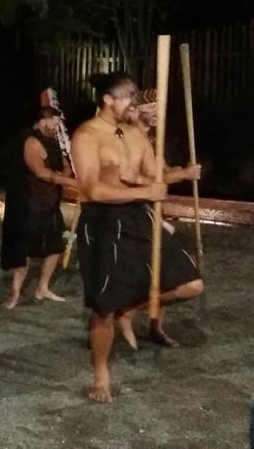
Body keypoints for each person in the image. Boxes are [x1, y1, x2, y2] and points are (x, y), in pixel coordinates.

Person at [70, 73, 203, 403]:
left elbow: (154, 177)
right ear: (108, 100)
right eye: (129, 96)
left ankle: (128, 310)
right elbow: (91, 189)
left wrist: (183, 174)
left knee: (191, 285)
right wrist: (146, 189)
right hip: (102, 221)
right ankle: (101, 376)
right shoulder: (88, 135)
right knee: (103, 308)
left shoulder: (137, 136)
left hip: (139, 216)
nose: (135, 102)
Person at [116, 88, 202, 348]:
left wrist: (184, 170)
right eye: (149, 106)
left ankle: (156, 327)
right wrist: (182, 175)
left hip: (155, 215)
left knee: (163, 278)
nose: (154, 111)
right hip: (135, 216)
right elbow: (144, 179)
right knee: (187, 284)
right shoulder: (126, 139)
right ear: (134, 110)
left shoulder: (154, 139)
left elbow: (162, 170)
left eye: (158, 106)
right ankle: (126, 312)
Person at [0, 106, 78, 308]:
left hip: (49, 204)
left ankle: (42, 288)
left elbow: (65, 169)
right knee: (22, 249)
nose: (57, 127)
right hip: (28, 203)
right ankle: (15, 291)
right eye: (55, 122)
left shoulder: (53, 143)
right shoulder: (31, 141)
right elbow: (40, 172)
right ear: (43, 120)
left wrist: (68, 172)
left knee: (54, 246)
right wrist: (71, 183)